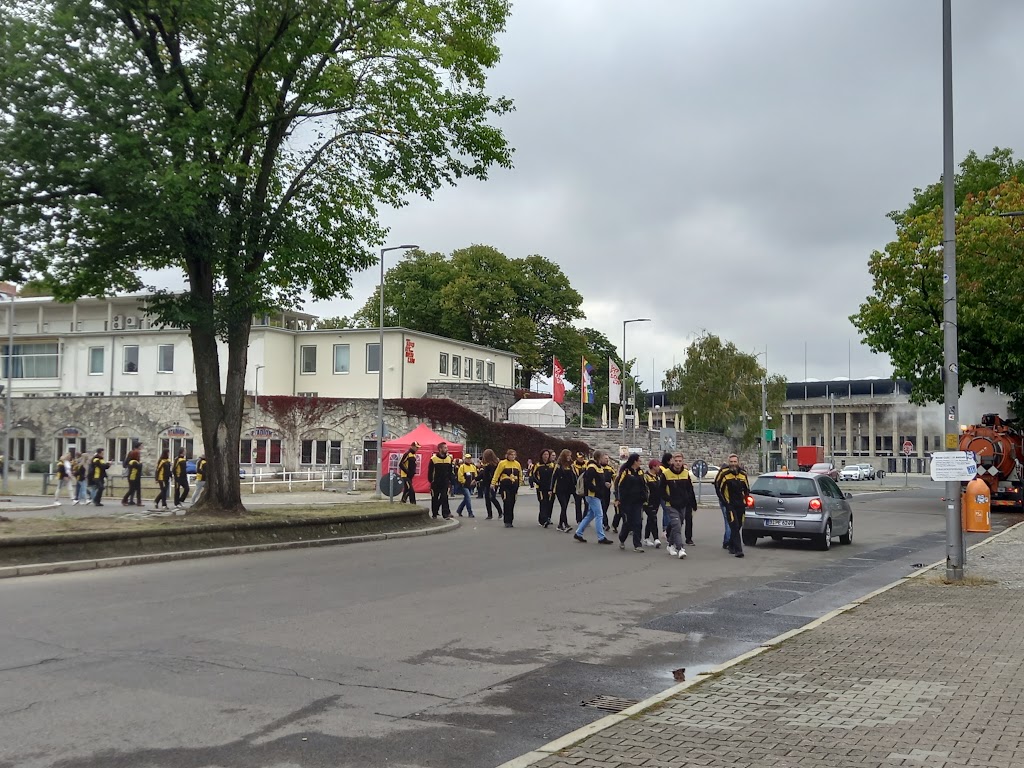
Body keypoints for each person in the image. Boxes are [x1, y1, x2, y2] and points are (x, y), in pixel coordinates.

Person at [661, 452, 696, 559]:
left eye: (680, 461)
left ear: (682, 462)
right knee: (676, 525)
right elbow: (661, 490)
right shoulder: (666, 473)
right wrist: (669, 499)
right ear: (672, 461)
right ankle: (680, 548)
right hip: (671, 505)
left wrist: (693, 503)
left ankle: (671, 545)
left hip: (683, 505)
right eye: (676, 461)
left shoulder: (686, 473)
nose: (678, 463)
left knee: (678, 525)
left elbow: (690, 489)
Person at [573, 451, 613, 545]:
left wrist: (604, 484)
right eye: (604, 457)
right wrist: (597, 490)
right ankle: (601, 537)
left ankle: (578, 533)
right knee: (599, 514)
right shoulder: (592, 467)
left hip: (596, 494)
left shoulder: (599, 467)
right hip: (592, 495)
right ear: (599, 457)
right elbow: (588, 482)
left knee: (590, 515)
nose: (606, 459)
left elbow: (598, 480)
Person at [718, 454, 750, 558]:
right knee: (734, 526)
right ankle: (738, 550)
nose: (733, 464)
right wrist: (724, 502)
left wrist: (746, 500)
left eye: (734, 462)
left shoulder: (743, 474)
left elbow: (746, 489)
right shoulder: (724, 474)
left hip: (740, 505)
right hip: (729, 505)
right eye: (731, 462)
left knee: (739, 525)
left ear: (738, 462)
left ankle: (731, 545)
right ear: (728, 462)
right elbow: (718, 488)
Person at [615, 453, 648, 552]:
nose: (640, 462)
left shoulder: (641, 472)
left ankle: (637, 545)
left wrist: (645, 497)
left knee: (638, 522)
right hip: (626, 502)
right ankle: (622, 538)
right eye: (639, 460)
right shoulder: (626, 472)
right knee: (628, 523)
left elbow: (644, 486)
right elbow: (619, 486)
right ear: (634, 461)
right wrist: (618, 499)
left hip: (638, 502)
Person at [491, 449, 523, 528]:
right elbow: (497, 473)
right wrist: (493, 483)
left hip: (514, 486)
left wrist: (520, 483)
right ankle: (507, 521)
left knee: (512, 503)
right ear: (507, 455)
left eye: (514, 455)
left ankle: (510, 520)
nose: (513, 456)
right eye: (511, 455)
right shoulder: (502, 463)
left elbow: (520, 474)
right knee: (507, 502)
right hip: (505, 486)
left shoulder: (517, 464)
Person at [550, 449, 577, 532]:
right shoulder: (559, 465)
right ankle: (566, 524)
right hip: (560, 489)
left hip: (569, 488)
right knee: (563, 505)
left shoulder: (571, 464)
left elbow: (575, 475)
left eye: (570, 455)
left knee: (564, 507)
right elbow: (553, 477)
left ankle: (560, 524)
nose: (569, 457)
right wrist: (551, 489)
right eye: (567, 455)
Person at [427, 441, 454, 520]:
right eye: (445, 448)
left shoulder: (449, 459)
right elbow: (430, 472)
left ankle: (445, 514)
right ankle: (434, 513)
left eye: (446, 447)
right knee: (435, 498)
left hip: (445, 482)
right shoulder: (434, 459)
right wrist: (431, 481)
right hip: (435, 482)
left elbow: (450, 471)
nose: (447, 449)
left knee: (444, 497)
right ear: (440, 449)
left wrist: (450, 481)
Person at [532, 449, 556, 528]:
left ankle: (545, 518)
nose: (546, 456)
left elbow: (554, 476)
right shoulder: (538, 465)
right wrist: (538, 483)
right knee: (543, 502)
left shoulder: (552, 465)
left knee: (549, 503)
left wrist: (552, 486)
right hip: (541, 488)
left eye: (547, 455)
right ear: (542, 455)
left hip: (549, 487)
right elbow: (533, 475)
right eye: (544, 454)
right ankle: (544, 520)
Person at [713, 456, 733, 550]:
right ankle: (728, 541)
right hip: (726, 501)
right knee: (729, 522)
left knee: (729, 522)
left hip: (728, 501)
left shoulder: (723, 473)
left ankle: (727, 541)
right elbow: (718, 486)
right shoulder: (725, 474)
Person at [643, 459, 662, 548]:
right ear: (653, 466)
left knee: (650, 519)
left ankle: (646, 538)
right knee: (653, 518)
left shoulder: (658, 476)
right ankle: (656, 538)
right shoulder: (646, 477)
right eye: (658, 466)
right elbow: (644, 490)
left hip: (656, 501)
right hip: (648, 502)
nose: (659, 467)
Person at [478, 449, 500, 519]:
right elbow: (483, 474)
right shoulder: (487, 465)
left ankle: (500, 511)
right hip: (487, 483)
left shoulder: (493, 465)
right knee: (487, 498)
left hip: (492, 483)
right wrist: (476, 479)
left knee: (492, 498)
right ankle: (489, 514)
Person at [572, 451, 588, 524]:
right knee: (578, 504)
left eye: (582, 458)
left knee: (587, 503)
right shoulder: (573, 466)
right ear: (577, 458)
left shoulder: (587, 464)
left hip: (586, 486)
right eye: (580, 458)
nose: (581, 459)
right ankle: (578, 519)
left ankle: (585, 518)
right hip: (577, 487)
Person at [600, 455, 615, 531]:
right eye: (605, 458)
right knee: (602, 507)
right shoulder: (598, 468)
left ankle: (601, 521)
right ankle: (605, 524)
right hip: (599, 491)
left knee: (605, 507)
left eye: (607, 459)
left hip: (607, 491)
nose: (607, 460)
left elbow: (615, 477)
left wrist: (613, 484)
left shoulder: (610, 468)